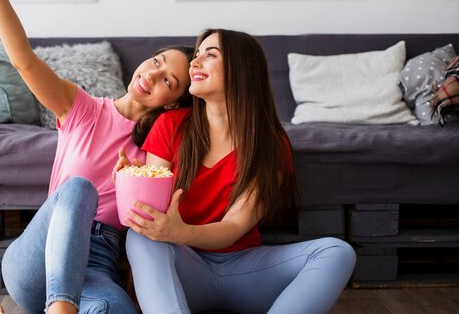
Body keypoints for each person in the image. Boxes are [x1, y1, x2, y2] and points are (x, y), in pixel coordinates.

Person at [0, 0, 193, 314]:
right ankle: (59, 308)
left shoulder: (161, 154)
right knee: (79, 189)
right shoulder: (85, 109)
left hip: (97, 267)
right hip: (38, 259)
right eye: (157, 62)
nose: (152, 75)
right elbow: (24, 59)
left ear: (174, 104)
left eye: (168, 81)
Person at [117, 29, 356, 314]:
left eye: (210, 55)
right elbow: (151, 212)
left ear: (242, 70)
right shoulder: (170, 125)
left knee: (337, 252)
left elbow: (232, 229)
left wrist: (181, 233)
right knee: (143, 235)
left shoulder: (270, 143)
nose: (196, 62)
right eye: (197, 55)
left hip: (246, 270)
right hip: (185, 273)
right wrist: (130, 182)